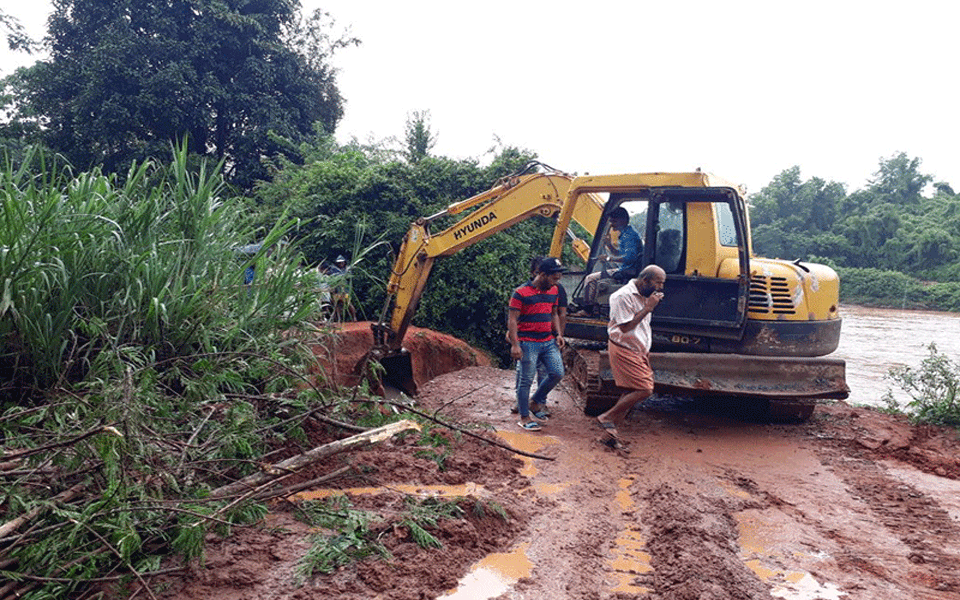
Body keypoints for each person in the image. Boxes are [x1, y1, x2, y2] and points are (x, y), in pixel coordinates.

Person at [596, 264, 666, 449]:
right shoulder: (622, 296)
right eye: (658, 282)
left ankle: (609, 435)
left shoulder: (644, 296)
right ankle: (607, 417)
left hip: (638, 350)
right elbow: (625, 327)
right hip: (624, 347)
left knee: (630, 392)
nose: (661, 287)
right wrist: (648, 308)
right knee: (645, 389)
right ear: (645, 280)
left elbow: (641, 327)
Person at [507, 257, 567, 431]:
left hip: (548, 341)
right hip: (528, 342)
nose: (557, 282)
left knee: (557, 373)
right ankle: (524, 418)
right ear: (542, 274)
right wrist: (515, 345)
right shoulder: (520, 293)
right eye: (554, 278)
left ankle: (535, 402)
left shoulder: (554, 291)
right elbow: (512, 320)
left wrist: (558, 334)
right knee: (526, 380)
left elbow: (554, 313)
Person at [582, 207, 643, 306]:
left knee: (590, 279)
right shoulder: (627, 233)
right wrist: (609, 245)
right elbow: (622, 254)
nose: (611, 223)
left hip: (628, 269)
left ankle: (587, 309)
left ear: (623, 220)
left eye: (614, 220)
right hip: (627, 267)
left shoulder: (628, 236)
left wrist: (608, 258)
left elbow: (629, 258)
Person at [328, 255, 357, 321]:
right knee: (337, 305)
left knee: (348, 304)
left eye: (342, 262)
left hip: (345, 290)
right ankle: (338, 319)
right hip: (337, 290)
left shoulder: (347, 270)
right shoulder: (333, 270)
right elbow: (331, 278)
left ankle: (354, 318)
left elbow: (349, 278)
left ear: (344, 262)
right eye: (339, 263)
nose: (341, 264)